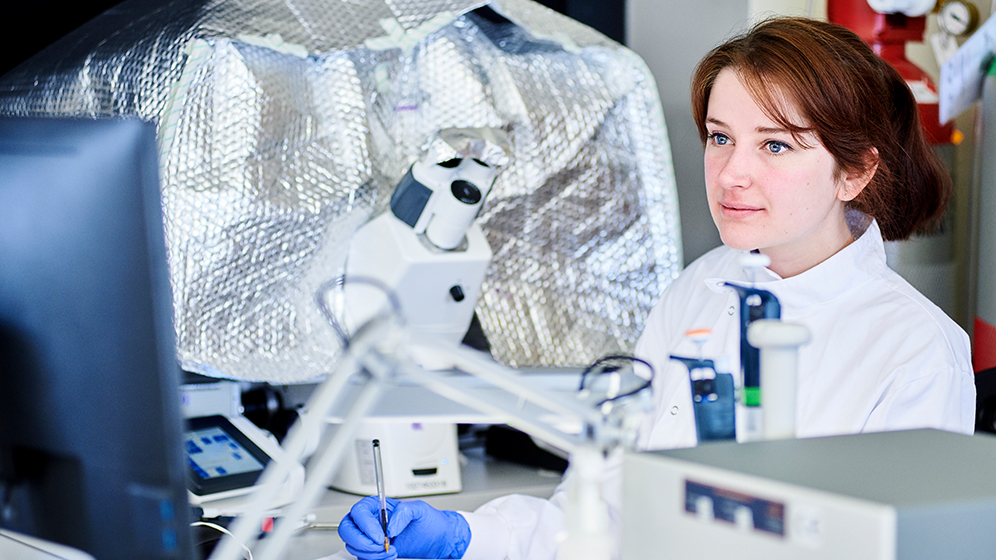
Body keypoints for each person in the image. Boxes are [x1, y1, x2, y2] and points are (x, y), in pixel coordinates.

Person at [336, 16, 975, 560]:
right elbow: (607, 510)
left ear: (854, 171)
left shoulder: (917, 351)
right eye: (720, 138)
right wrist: (472, 537)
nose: (732, 175)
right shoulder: (700, 289)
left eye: (776, 145)